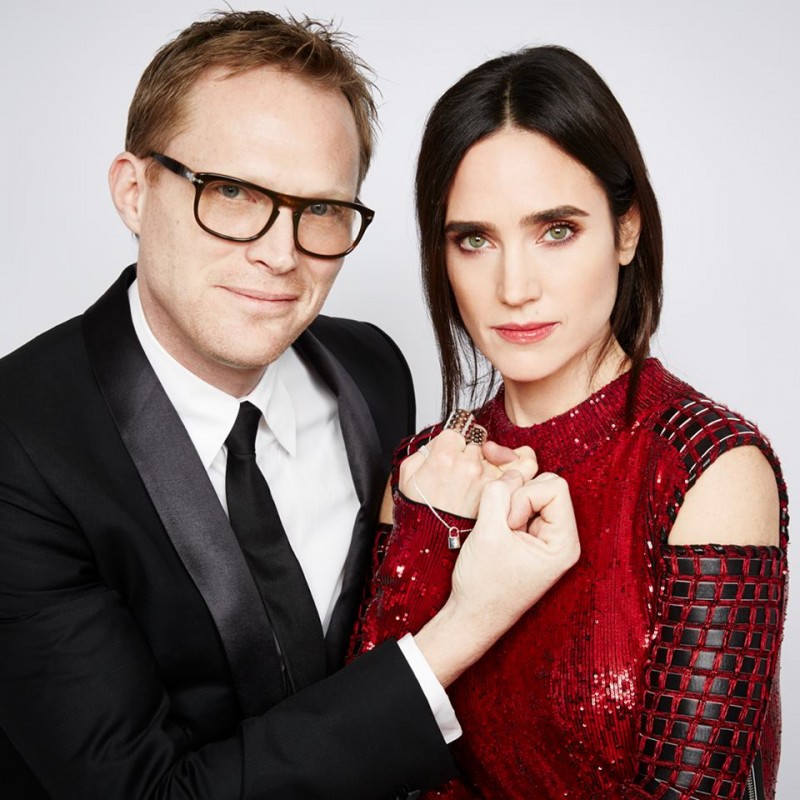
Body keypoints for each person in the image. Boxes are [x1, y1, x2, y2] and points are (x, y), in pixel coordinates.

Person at [0, 15, 581, 800]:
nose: (281, 253)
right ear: (135, 192)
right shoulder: (20, 440)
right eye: (232, 192)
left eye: (321, 209)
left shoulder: (371, 369)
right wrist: (462, 626)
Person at [349, 45, 788, 799]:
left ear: (625, 232)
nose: (513, 286)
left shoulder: (705, 466)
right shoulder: (423, 471)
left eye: (556, 230)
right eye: (474, 239)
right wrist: (429, 530)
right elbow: (353, 759)